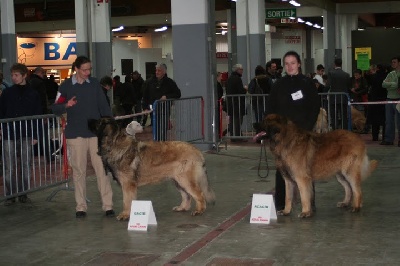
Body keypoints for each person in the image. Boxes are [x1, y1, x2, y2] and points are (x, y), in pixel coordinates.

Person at [51, 55, 115, 218]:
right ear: (76, 69)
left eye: (89, 69)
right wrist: (66, 105)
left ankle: (108, 205)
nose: (88, 72)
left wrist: (110, 127)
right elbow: (55, 108)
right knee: (79, 170)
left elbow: (104, 106)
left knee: (102, 169)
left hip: (96, 134)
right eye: (85, 69)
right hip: (75, 134)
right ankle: (81, 206)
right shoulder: (65, 86)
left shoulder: (94, 84)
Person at [265, 50, 320, 212]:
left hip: (303, 135)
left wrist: (307, 128)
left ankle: (309, 203)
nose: (290, 66)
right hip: (282, 137)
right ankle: (281, 203)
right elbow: (271, 110)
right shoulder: (278, 85)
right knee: (282, 169)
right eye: (287, 63)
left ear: (299, 65)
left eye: (293, 63)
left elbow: (314, 107)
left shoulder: (307, 83)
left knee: (305, 170)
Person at [0, 63, 42, 205]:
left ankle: (23, 193)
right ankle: (10, 195)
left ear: (24, 75)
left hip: (26, 134)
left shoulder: (33, 94)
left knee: (26, 164)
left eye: (16, 75)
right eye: (12, 75)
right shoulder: (7, 93)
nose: (13, 78)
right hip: (9, 133)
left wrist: (36, 135)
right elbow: (1, 111)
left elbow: (37, 115)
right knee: (9, 166)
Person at [142, 63, 181, 141]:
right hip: (153, 110)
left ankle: (162, 144)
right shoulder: (149, 82)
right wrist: (145, 108)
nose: (157, 72)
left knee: (163, 129)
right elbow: (145, 96)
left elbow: (177, 94)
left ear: (164, 71)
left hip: (164, 110)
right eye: (156, 70)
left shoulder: (170, 82)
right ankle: (156, 144)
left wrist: (167, 96)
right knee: (155, 129)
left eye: (159, 70)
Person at [327, 58, 352, 130]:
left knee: (334, 115)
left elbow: (328, 85)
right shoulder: (346, 75)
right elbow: (349, 86)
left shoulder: (331, 73)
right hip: (343, 97)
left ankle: (335, 130)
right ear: (341, 64)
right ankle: (344, 131)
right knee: (344, 115)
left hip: (333, 97)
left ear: (334, 64)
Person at [381, 56, 400, 146]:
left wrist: (391, 85)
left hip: (398, 99)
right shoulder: (390, 74)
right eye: (392, 62)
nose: (392, 64)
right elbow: (384, 84)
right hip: (389, 99)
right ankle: (389, 139)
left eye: (394, 62)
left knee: (399, 121)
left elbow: (397, 86)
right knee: (388, 121)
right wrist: (393, 84)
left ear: (399, 63)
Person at [225, 63, 247, 142]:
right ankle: (238, 137)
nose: (242, 71)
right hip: (237, 103)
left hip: (231, 103)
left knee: (232, 121)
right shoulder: (237, 79)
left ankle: (233, 136)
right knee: (238, 121)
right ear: (237, 70)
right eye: (241, 70)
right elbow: (240, 91)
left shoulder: (229, 78)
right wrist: (245, 89)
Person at [367, 64, 387, 141]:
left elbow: (368, 79)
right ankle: (385, 137)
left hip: (374, 101)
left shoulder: (374, 77)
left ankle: (375, 136)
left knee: (375, 121)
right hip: (384, 100)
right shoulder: (386, 77)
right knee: (385, 120)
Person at [216, 72, 224, 137]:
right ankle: (218, 133)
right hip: (218, 103)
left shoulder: (218, 84)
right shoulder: (217, 84)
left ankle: (219, 133)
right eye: (221, 76)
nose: (222, 77)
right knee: (217, 118)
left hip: (218, 102)